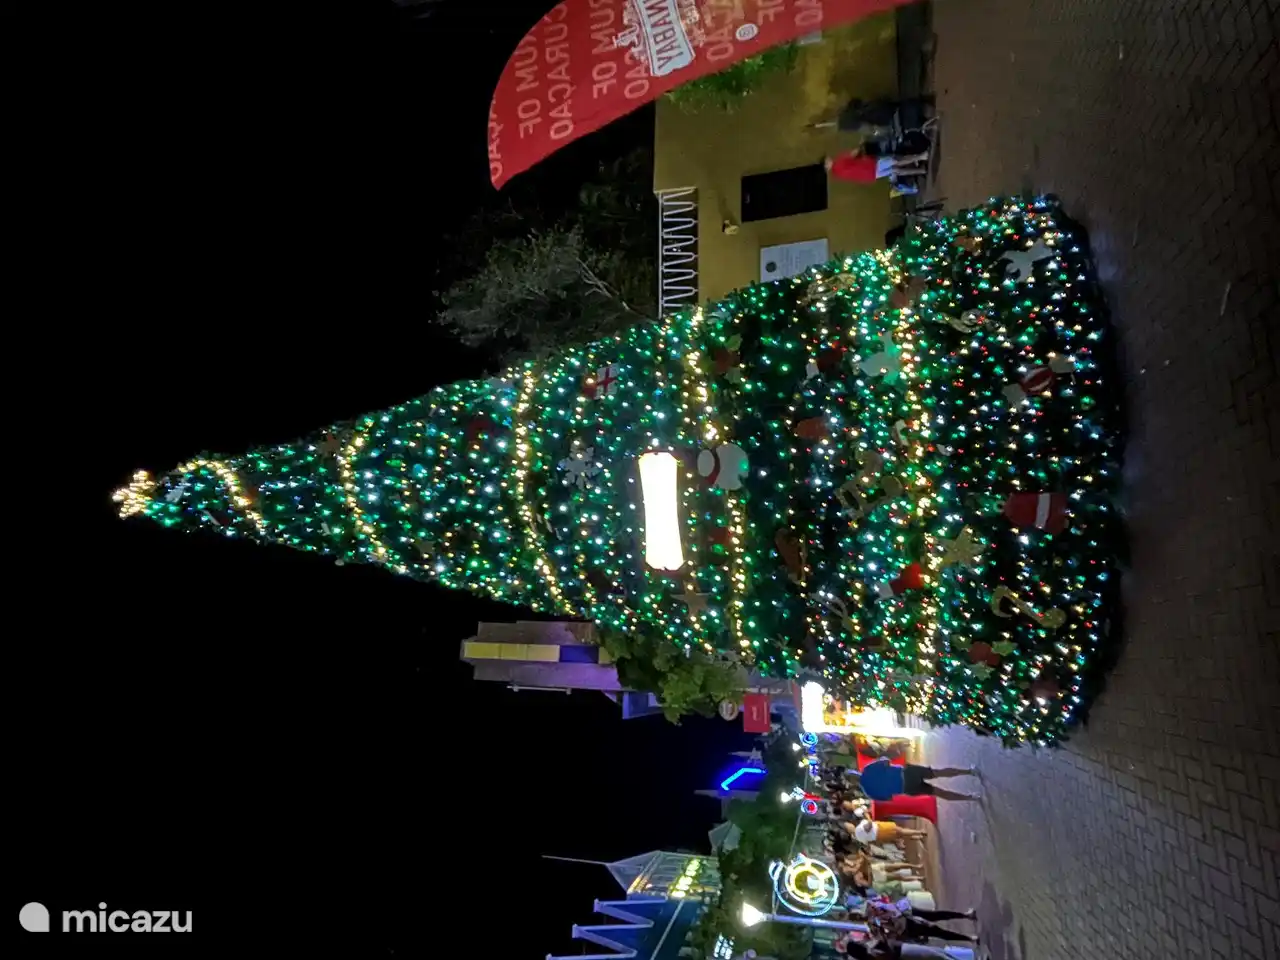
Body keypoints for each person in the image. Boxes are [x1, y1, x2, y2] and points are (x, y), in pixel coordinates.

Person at [853, 756, 981, 803]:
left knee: (938, 792)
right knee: (937, 772)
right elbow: (886, 761)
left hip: (906, 788)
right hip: (906, 773)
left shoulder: (868, 793)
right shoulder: (868, 769)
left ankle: (971, 797)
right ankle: (969, 771)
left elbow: (889, 798)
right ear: (855, 772)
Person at [846, 817, 927, 844]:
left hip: (879, 837)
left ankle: (918, 837)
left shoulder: (858, 838)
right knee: (900, 831)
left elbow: (869, 842)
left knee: (901, 836)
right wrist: (868, 818)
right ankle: (919, 832)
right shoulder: (858, 829)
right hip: (880, 829)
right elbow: (869, 825)